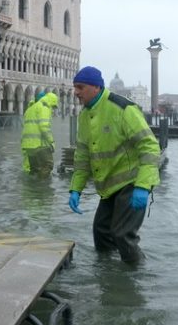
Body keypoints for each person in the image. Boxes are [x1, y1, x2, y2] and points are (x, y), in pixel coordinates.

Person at [67, 66, 160, 263]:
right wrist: (76, 189)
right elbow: (83, 155)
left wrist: (143, 186)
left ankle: (137, 277)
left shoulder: (123, 108)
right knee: (101, 233)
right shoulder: (85, 115)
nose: (76, 92)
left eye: (80, 87)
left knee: (122, 234)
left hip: (132, 182)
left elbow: (150, 146)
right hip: (110, 186)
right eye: (75, 87)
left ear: (96, 87)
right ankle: (107, 275)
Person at [21, 91, 59, 174]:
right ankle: (43, 186)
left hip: (28, 146)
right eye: (53, 106)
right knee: (48, 166)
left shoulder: (30, 109)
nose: (52, 109)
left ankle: (33, 186)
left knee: (34, 169)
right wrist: (51, 141)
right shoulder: (44, 107)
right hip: (40, 145)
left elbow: (24, 127)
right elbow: (44, 127)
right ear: (51, 101)